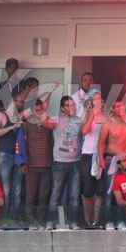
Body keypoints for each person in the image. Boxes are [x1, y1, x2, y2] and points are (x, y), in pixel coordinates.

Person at [46, 96, 83, 229]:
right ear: (62, 108)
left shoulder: (79, 121)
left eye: (73, 105)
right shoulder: (56, 119)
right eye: (68, 105)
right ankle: (51, 221)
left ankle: (73, 222)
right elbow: (45, 124)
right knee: (56, 194)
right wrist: (43, 109)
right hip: (59, 162)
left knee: (74, 195)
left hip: (76, 162)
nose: (71, 108)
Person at [98, 100, 126, 229]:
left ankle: (121, 222)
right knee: (109, 193)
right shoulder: (108, 124)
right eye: (117, 106)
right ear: (112, 109)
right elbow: (101, 143)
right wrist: (101, 160)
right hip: (111, 160)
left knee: (124, 192)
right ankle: (108, 222)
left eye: (122, 105)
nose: (121, 108)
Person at [0, 90, 25, 221]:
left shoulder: (19, 116)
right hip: (4, 154)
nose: (23, 104)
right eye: (21, 101)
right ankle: (5, 219)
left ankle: (15, 218)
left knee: (17, 189)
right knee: (6, 190)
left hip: (18, 155)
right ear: (13, 101)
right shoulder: (0, 115)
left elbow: (38, 107)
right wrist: (11, 128)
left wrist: (51, 90)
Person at [20, 100, 53, 230]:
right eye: (37, 110)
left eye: (41, 110)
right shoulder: (27, 125)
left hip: (47, 165)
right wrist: (23, 162)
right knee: (30, 197)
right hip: (31, 166)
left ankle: (40, 222)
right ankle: (31, 222)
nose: (39, 112)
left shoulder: (49, 124)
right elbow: (22, 145)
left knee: (43, 197)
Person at [79, 90, 107, 228]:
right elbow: (84, 131)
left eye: (99, 99)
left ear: (102, 103)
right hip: (87, 155)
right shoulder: (87, 115)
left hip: (100, 155)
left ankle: (96, 222)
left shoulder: (107, 118)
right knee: (87, 190)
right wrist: (91, 114)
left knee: (99, 190)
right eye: (94, 99)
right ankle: (87, 222)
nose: (96, 101)